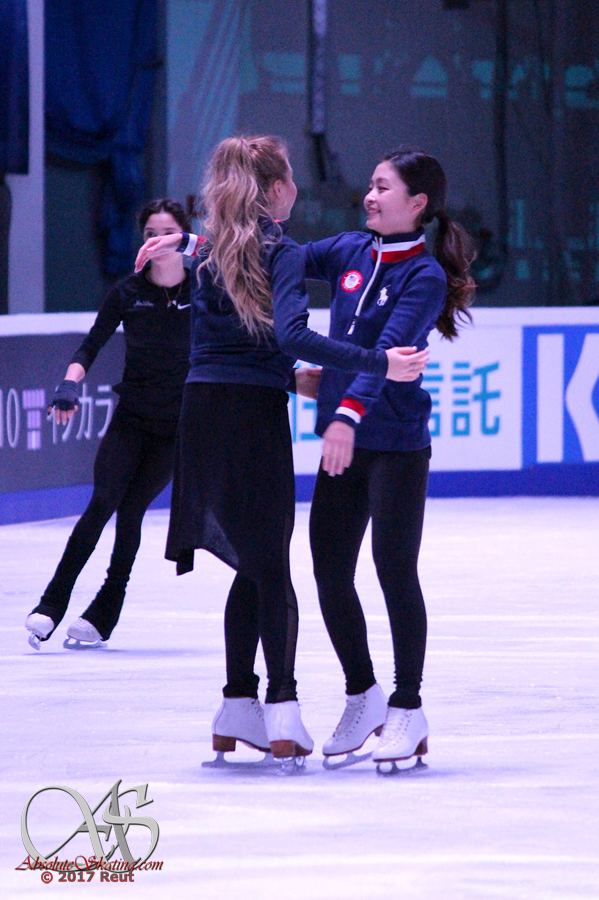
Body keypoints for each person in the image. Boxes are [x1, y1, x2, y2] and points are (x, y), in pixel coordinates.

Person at [134, 135, 428, 761]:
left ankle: (242, 703)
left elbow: (238, 332)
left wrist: (189, 242)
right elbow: (290, 331)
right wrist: (369, 368)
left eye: (381, 186)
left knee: (261, 564)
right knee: (273, 567)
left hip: (206, 413)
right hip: (254, 419)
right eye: (291, 178)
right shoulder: (288, 251)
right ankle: (285, 710)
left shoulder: (217, 253)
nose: (367, 195)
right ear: (275, 190)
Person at [304, 148, 476, 767]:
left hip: (394, 445)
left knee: (393, 570)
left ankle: (407, 706)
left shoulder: (423, 276)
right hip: (344, 439)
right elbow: (281, 258)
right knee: (329, 570)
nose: (370, 196)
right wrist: (196, 245)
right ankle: (364, 695)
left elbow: (390, 348)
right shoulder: (350, 249)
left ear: (417, 203)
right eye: (371, 186)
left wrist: (345, 413)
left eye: (382, 187)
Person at [25, 198, 194, 650]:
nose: (157, 241)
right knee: (102, 502)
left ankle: (105, 612)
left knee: (132, 510)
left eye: (168, 233)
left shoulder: (205, 291)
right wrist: (68, 385)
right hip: (131, 420)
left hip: (176, 430)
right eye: (150, 234)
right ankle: (50, 605)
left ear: (183, 236)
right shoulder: (128, 292)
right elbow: (90, 346)